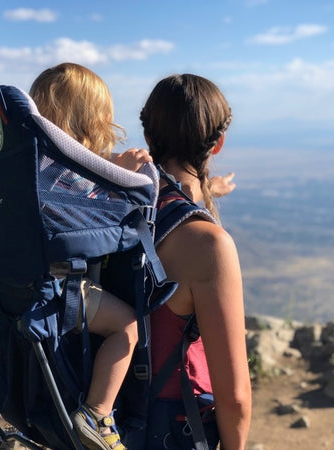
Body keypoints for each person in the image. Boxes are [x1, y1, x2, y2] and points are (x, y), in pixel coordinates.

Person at [0, 63, 149, 450]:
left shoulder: (22, 160)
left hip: (5, 286)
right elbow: (97, 215)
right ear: (89, 119)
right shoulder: (62, 172)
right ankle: (97, 415)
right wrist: (120, 174)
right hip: (53, 290)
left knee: (27, 351)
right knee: (128, 326)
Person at [140, 74, 252, 450]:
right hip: (171, 430)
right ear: (218, 143)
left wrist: (205, 189)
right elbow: (234, 396)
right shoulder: (209, 246)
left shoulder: (113, 207)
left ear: (149, 139)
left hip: (110, 422)